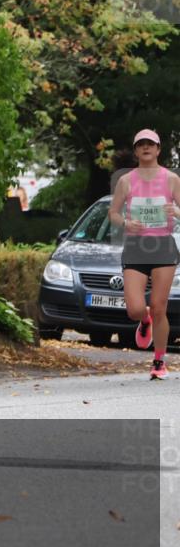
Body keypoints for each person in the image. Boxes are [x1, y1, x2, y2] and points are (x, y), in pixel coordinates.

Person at [108, 128, 176, 379]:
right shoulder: (126, 180)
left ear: (158, 150)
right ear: (136, 151)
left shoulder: (171, 179)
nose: (146, 147)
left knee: (159, 307)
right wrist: (126, 223)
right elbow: (113, 214)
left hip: (163, 247)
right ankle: (143, 320)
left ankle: (159, 362)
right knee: (135, 309)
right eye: (141, 144)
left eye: (151, 144)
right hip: (136, 247)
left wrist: (175, 212)